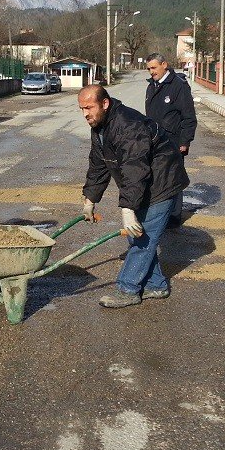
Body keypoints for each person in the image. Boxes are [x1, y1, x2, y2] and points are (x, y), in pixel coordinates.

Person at [78, 84, 188, 308]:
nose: (85, 114)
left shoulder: (128, 126)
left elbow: (134, 170)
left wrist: (127, 209)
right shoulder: (100, 126)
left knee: (140, 238)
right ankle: (156, 285)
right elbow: (99, 165)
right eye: (81, 109)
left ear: (105, 104)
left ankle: (128, 289)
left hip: (162, 182)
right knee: (139, 236)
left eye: (89, 107)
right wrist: (90, 199)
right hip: (144, 183)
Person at [144, 53, 197, 227]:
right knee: (157, 178)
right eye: (149, 68)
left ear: (164, 64)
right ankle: (159, 215)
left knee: (173, 178)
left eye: (154, 68)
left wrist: (185, 141)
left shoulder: (178, 86)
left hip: (173, 141)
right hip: (154, 141)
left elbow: (188, 117)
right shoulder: (152, 86)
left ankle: (174, 217)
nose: (151, 72)